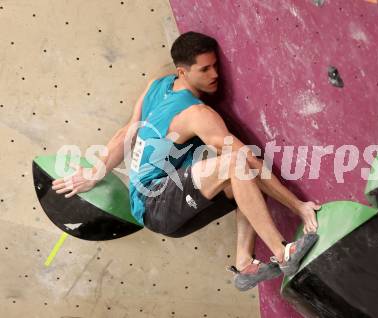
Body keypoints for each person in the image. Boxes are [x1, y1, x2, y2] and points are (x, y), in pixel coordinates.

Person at [51, 31, 320, 291]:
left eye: (215, 66)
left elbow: (127, 132)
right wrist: (298, 206)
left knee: (242, 179)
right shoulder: (197, 114)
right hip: (154, 202)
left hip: (165, 203)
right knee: (235, 163)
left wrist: (96, 173)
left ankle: (244, 263)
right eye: (204, 69)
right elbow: (127, 132)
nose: (215, 74)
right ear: (183, 71)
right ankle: (283, 253)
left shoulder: (159, 85)